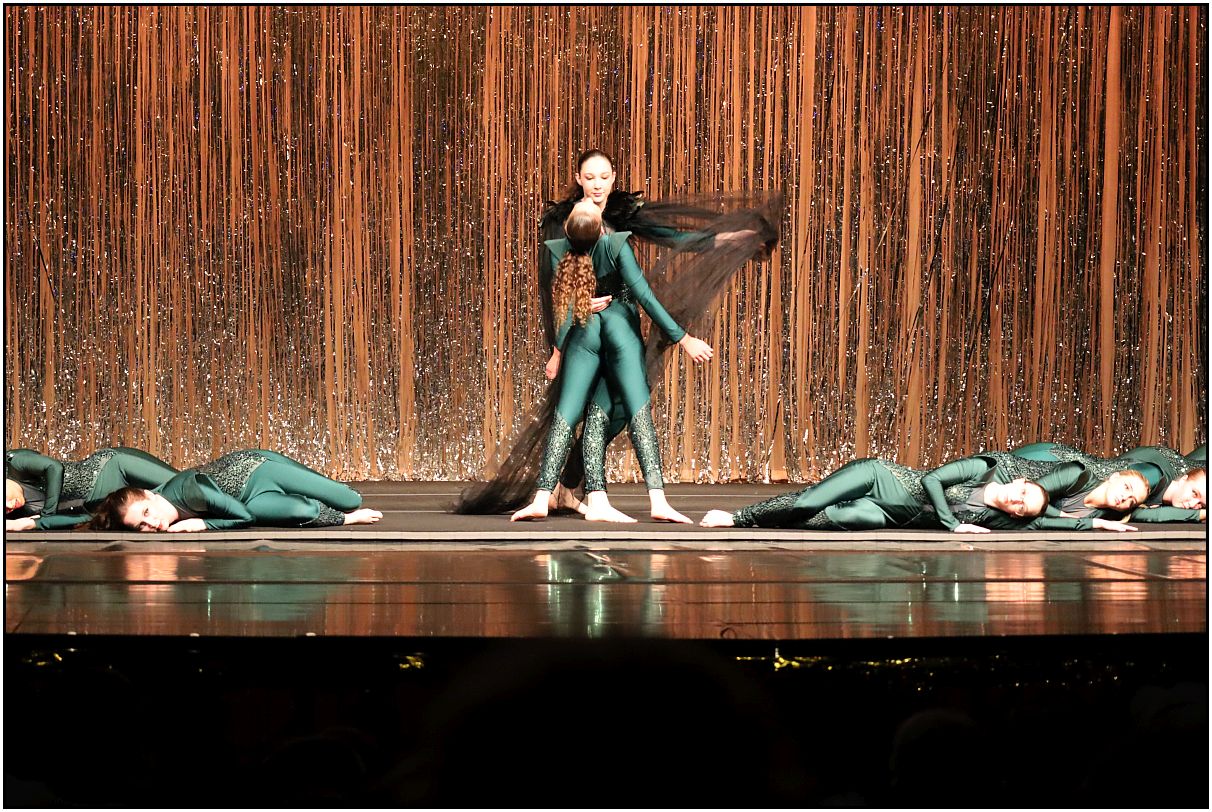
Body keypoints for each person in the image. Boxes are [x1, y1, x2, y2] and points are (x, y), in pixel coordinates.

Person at [454, 149, 782, 517]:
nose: (597, 184)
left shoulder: (621, 216)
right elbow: (555, 287)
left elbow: (674, 238)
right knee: (591, 410)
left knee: (613, 410)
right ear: (578, 179)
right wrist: (560, 343)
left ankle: (566, 487)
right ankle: (591, 496)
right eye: (589, 177)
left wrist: (730, 240)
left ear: (613, 178)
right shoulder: (566, 223)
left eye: (604, 176)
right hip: (586, 328)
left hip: (615, 324)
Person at [509, 200, 713, 523]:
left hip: (584, 332)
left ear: (568, 232)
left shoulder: (561, 251)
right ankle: (657, 500)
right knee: (637, 411)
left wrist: (558, 352)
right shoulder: (614, 245)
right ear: (602, 229)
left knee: (566, 414)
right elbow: (645, 296)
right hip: (619, 330)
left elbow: (566, 310)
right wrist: (684, 338)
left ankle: (542, 497)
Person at [698, 452, 1054, 531]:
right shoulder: (982, 469)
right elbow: (931, 480)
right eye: (1024, 495)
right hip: (879, 478)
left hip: (888, 515)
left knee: (823, 521)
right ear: (1019, 483)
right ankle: (739, 517)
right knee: (808, 501)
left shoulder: (991, 519)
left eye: (1022, 509)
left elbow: (1052, 523)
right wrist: (953, 525)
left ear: (1015, 515)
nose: (1018, 503)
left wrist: (1087, 520)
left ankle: (766, 522)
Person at [86, 449, 381, 531]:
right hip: (251, 500)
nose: (152, 523)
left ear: (149, 494)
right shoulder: (163, 514)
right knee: (302, 511)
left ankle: (321, 492)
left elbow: (241, 517)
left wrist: (202, 524)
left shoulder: (190, 491)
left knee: (349, 499)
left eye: (147, 512)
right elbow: (247, 513)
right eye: (141, 526)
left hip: (259, 470)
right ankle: (344, 517)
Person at [1012, 442, 1205, 522]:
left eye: (1201, 504)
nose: (1193, 504)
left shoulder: (1191, 474)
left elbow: (1149, 515)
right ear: (1184, 479)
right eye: (1194, 493)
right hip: (1049, 462)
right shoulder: (1150, 478)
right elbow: (1149, 515)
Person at [6, 446, 178, 531]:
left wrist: (47, 514)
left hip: (113, 468)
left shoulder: (14, 463)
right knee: (176, 510)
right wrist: (26, 524)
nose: (9, 505)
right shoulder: (19, 510)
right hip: (100, 503)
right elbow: (81, 518)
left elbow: (54, 468)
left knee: (184, 485)